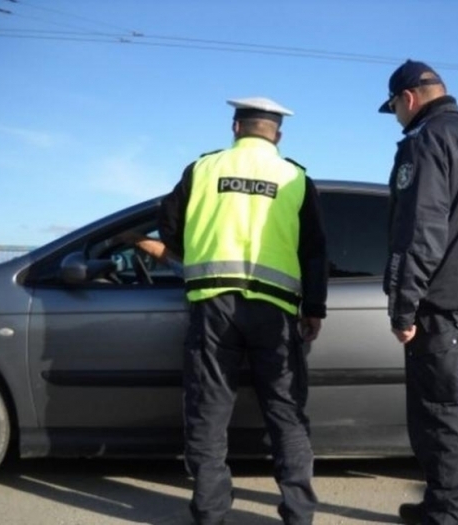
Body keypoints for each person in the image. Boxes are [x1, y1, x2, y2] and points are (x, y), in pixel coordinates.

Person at [158, 96, 328, 525]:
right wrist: (314, 308)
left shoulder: (202, 169)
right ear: (278, 135)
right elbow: (314, 251)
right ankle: (299, 514)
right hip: (275, 310)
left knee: (209, 411)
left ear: (236, 128)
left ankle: (210, 513)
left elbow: (169, 226)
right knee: (285, 412)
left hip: (213, 306)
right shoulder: (295, 177)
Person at [378, 60, 458, 525]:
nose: (396, 117)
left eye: (394, 107)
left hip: (442, 302)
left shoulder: (426, 141)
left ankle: (448, 515)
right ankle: (441, 504)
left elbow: (420, 230)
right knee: (455, 407)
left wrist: (403, 306)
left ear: (408, 98)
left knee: (439, 412)